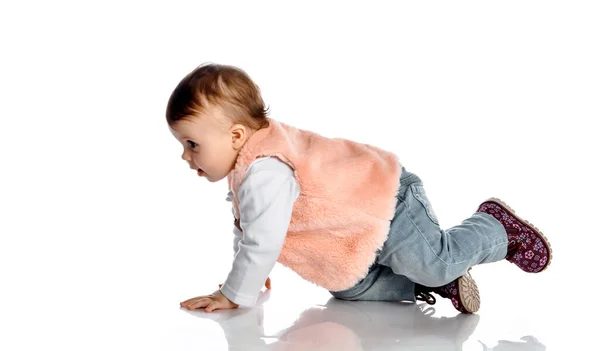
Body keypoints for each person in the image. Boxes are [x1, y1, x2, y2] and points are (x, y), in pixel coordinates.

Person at [168, 63, 552, 314]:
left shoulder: (265, 170)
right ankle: (435, 283)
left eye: (192, 144)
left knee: (437, 262)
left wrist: (236, 292)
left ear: (236, 136)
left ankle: (496, 229)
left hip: (386, 202)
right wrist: (249, 274)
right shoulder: (248, 167)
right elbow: (249, 229)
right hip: (350, 231)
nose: (186, 156)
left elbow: (262, 241)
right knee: (349, 288)